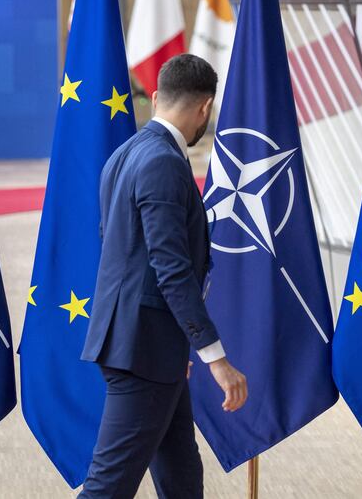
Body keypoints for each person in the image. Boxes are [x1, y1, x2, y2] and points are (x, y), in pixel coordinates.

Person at [79, 54, 248, 499]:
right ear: (205, 108)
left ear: (155, 97)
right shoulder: (164, 163)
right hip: (141, 353)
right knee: (107, 487)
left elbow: (117, 246)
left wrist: (174, 344)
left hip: (148, 348)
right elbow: (169, 267)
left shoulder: (123, 155)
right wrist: (216, 358)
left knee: (181, 479)